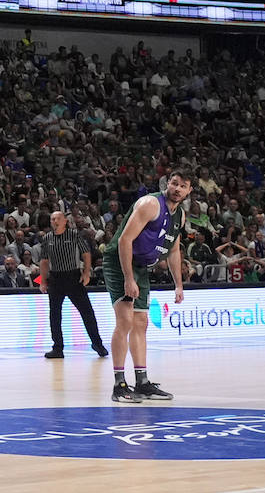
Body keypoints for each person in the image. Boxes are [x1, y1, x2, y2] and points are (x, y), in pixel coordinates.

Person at [103, 169, 191, 403]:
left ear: (189, 191)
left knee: (141, 323)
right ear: (167, 184)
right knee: (125, 320)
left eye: (183, 186)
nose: (177, 189)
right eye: (174, 183)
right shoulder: (150, 203)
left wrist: (178, 285)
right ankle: (119, 384)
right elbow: (124, 240)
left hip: (141, 266)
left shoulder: (179, 216)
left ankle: (141, 382)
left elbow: (173, 250)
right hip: (120, 261)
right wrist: (128, 278)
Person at [39, 211, 107, 359]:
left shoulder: (74, 235)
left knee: (87, 312)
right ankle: (57, 348)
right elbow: (44, 261)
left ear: (64, 221)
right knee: (54, 315)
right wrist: (43, 281)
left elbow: (86, 253)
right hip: (55, 278)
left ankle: (97, 344)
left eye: (57, 219)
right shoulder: (47, 238)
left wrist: (86, 273)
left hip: (73, 276)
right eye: (52, 219)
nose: (55, 221)